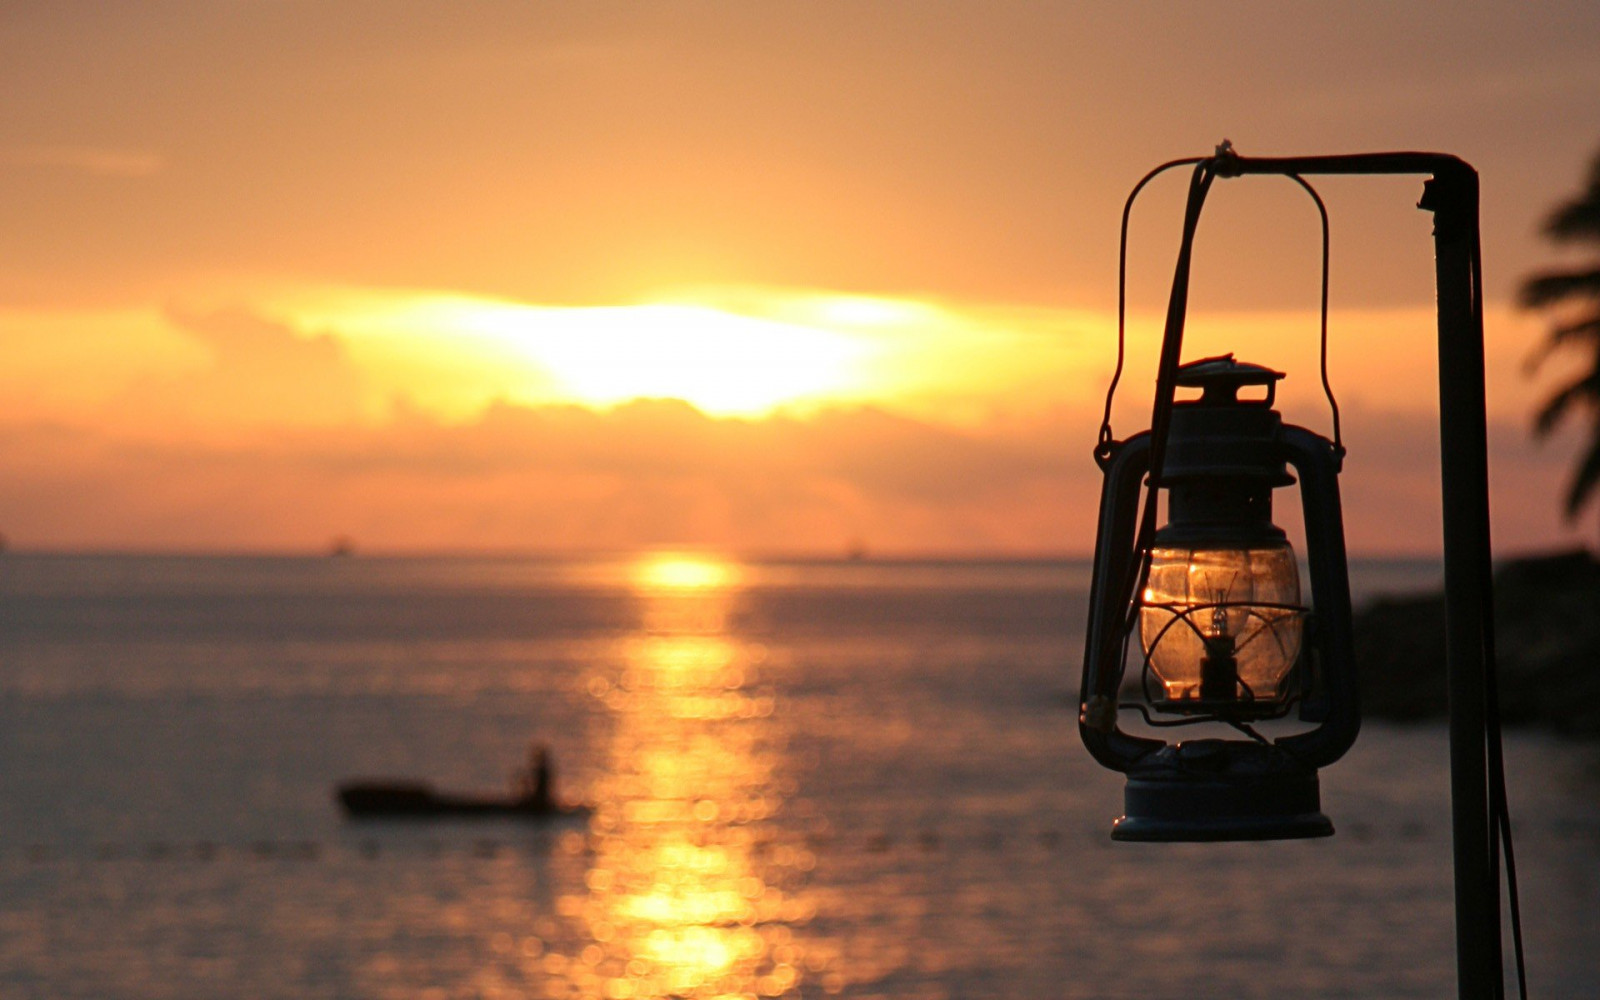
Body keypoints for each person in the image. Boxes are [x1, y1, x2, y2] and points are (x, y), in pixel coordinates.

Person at [515, 742, 554, 811]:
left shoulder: (542, 772)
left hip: (539, 803)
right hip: (538, 800)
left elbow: (541, 791)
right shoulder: (541, 771)